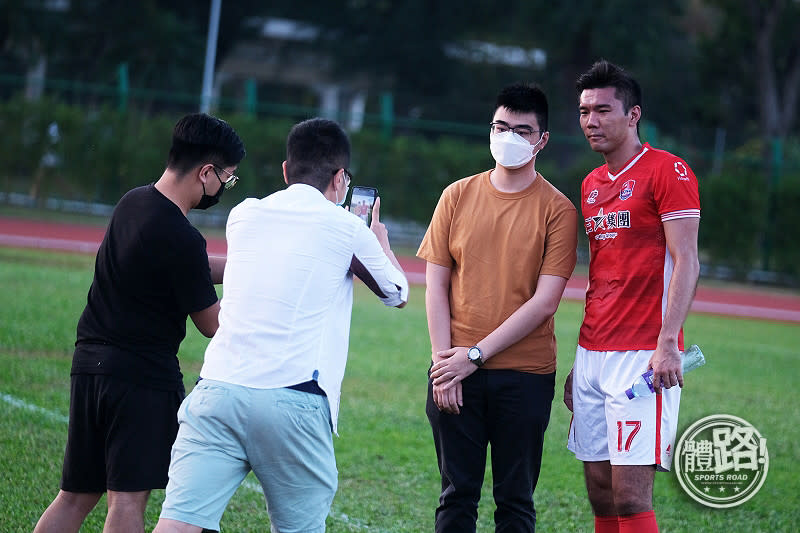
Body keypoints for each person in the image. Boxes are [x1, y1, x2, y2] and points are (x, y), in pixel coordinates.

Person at [153, 117, 408, 533]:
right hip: (296, 398)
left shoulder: (244, 213)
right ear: (341, 179)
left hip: (218, 389)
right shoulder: (348, 226)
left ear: (286, 171)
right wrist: (378, 239)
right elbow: (396, 293)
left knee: (177, 525)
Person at [33, 113, 246, 533]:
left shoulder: (134, 202)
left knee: (75, 496)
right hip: (140, 379)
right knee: (127, 500)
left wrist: (250, 265)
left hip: (90, 365)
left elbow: (188, 267)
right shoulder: (182, 237)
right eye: (227, 178)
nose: (224, 187)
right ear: (206, 173)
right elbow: (213, 323)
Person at [419, 83, 578, 532]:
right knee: (455, 497)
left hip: (524, 376)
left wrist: (473, 357)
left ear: (542, 140)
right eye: (500, 126)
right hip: (454, 370)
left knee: (515, 501)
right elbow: (435, 287)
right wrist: (443, 365)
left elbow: (545, 302)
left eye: (522, 130)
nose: (508, 137)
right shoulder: (456, 195)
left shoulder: (558, 210)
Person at [564, 60, 700, 533]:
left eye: (603, 110)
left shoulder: (668, 170)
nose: (590, 121)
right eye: (584, 111)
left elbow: (687, 260)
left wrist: (668, 344)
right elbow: (603, 275)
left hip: (643, 353)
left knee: (629, 494)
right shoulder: (590, 184)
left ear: (633, 114)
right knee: (600, 491)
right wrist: (581, 362)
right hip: (593, 351)